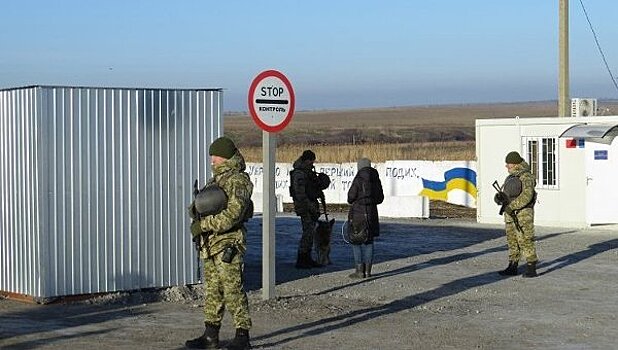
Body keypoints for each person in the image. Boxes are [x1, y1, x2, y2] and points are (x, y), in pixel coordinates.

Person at [186, 136, 253, 350]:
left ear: (225, 157)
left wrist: (203, 225)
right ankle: (210, 336)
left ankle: (242, 337)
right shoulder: (217, 180)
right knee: (213, 290)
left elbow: (233, 215)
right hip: (211, 245)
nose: (212, 160)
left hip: (228, 244)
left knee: (233, 289)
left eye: (215, 156)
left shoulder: (238, 181)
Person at [494, 151, 538, 278]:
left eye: (508, 164)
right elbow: (508, 194)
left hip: (523, 215)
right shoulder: (511, 177)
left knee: (525, 239)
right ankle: (513, 265)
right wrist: (500, 198)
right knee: (512, 240)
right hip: (510, 214)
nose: (506, 166)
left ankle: (531, 266)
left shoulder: (526, 177)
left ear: (514, 164)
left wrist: (512, 206)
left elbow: (527, 196)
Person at [347, 158, 384, 278]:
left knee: (356, 240)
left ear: (359, 167)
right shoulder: (375, 179)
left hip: (358, 214)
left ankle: (359, 270)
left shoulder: (358, 179)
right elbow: (380, 199)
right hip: (372, 213)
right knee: (369, 241)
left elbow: (350, 197)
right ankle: (368, 271)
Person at [290, 149, 324, 269]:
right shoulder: (299, 173)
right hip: (305, 207)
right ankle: (302, 258)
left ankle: (307, 257)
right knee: (307, 233)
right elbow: (300, 194)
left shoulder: (307, 171)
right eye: (311, 161)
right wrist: (309, 207)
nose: (312, 163)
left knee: (310, 232)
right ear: (307, 160)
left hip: (310, 205)